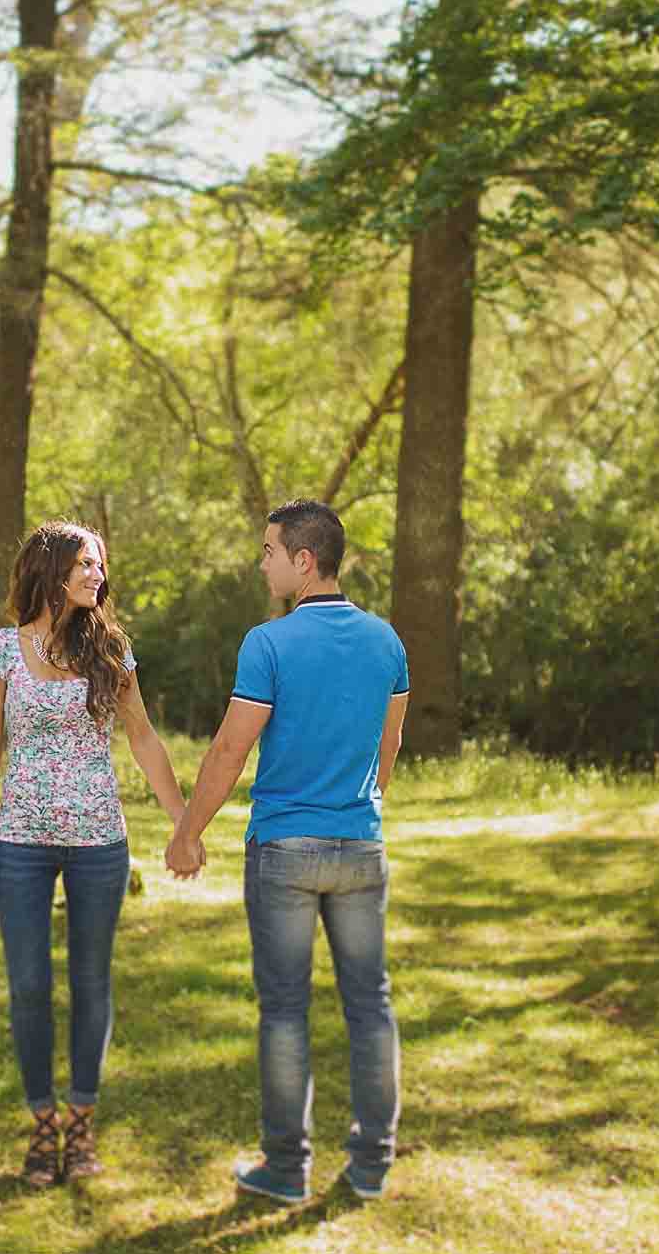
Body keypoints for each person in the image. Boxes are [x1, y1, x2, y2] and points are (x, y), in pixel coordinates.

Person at [166, 499, 409, 1205]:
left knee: (284, 1011)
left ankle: (286, 1167)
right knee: (371, 1005)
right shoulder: (386, 640)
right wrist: (367, 800)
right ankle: (372, 1165)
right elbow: (388, 745)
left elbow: (230, 748)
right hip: (361, 846)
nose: (262, 562)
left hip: (284, 852)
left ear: (304, 561)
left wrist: (188, 830)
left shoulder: (267, 643)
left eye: (269, 551)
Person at [0, 520, 187, 1186]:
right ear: (51, 569)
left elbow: (144, 737)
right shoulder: (1, 650)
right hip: (22, 841)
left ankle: (83, 1122)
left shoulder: (110, 648)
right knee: (30, 985)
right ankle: (42, 1126)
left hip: (99, 839)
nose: (98, 575)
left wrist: (183, 819)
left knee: (92, 981)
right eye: (86, 564)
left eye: (100, 565)